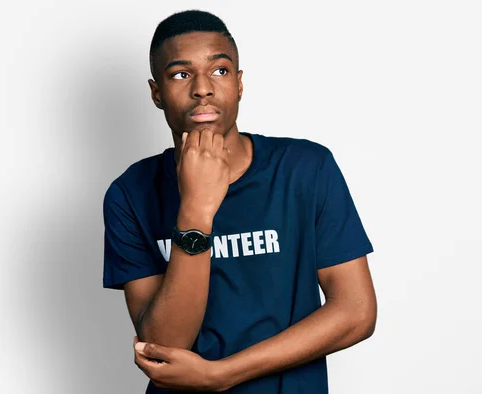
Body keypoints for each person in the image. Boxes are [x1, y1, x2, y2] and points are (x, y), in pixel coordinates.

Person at [102, 9, 377, 394]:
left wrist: (223, 374)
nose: (203, 88)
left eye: (219, 71)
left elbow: (356, 312)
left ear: (239, 83)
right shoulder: (130, 193)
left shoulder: (305, 169)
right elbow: (164, 346)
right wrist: (196, 209)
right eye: (181, 74)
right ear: (156, 93)